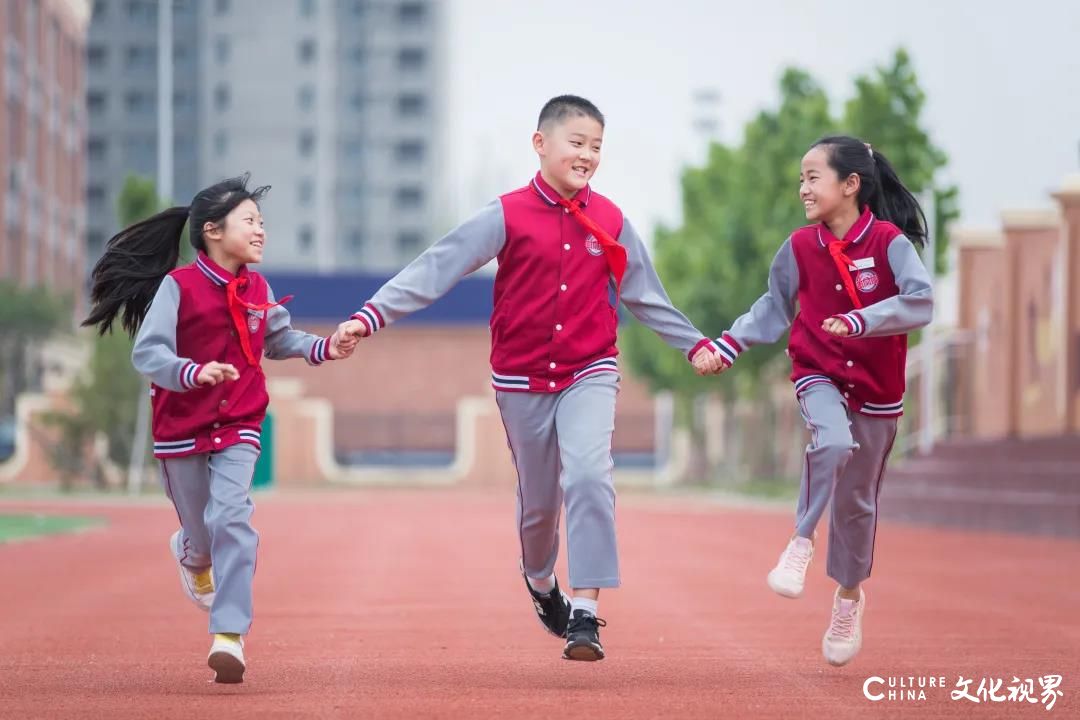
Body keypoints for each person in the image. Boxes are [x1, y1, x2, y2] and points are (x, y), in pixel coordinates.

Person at [335, 95, 724, 661]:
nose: (588, 154)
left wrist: (696, 346)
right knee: (540, 504)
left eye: (596, 146)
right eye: (577, 142)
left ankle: (586, 614)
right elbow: (436, 267)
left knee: (590, 476)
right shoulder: (506, 214)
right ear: (541, 144)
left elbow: (645, 294)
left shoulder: (611, 220)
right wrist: (369, 316)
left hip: (590, 369)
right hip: (520, 380)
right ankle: (542, 582)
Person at [83, 174, 354, 683]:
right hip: (181, 427)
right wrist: (192, 372)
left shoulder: (259, 288)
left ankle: (228, 635)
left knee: (233, 518)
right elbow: (149, 352)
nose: (260, 232)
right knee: (203, 539)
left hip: (239, 423)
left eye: (262, 223)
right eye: (250, 221)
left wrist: (323, 347)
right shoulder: (178, 287)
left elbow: (277, 338)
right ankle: (190, 552)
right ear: (212, 230)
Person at [709, 136, 934, 666]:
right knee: (830, 442)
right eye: (802, 178)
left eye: (814, 177)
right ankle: (800, 541)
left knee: (857, 504)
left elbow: (920, 302)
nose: (803, 188)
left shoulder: (888, 243)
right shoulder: (799, 247)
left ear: (850, 184)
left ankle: (849, 599)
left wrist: (864, 320)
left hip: (878, 391)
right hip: (819, 373)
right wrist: (729, 342)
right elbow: (773, 305)